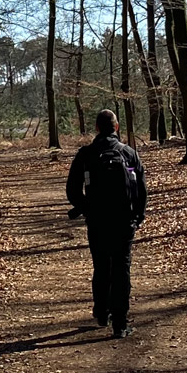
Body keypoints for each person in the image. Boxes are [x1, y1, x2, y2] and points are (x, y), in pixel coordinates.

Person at [66, 108, 146, 338]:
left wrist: (85, 207)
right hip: (124, 221)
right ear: (116, 127)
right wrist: (138, 216)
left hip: (97, 220)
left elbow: (72, 188)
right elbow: (141, 189)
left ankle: (102, 312)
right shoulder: (129, 153)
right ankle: (120, 323)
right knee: (121, 268)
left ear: (97, 128)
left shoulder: (86, 154)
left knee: (101, 265)